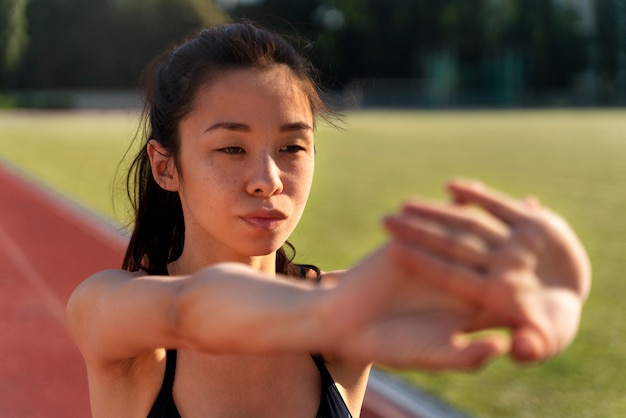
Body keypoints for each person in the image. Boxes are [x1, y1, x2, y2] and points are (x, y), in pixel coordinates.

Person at [66, 22, 591, 418]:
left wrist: (551, 292)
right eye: (231, 148)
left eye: (292, 146)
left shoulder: (343, 314)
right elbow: (187, 311)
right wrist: (327, 314)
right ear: (166, 166)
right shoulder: (112, 311)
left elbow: (492, 301)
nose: (268, 178)